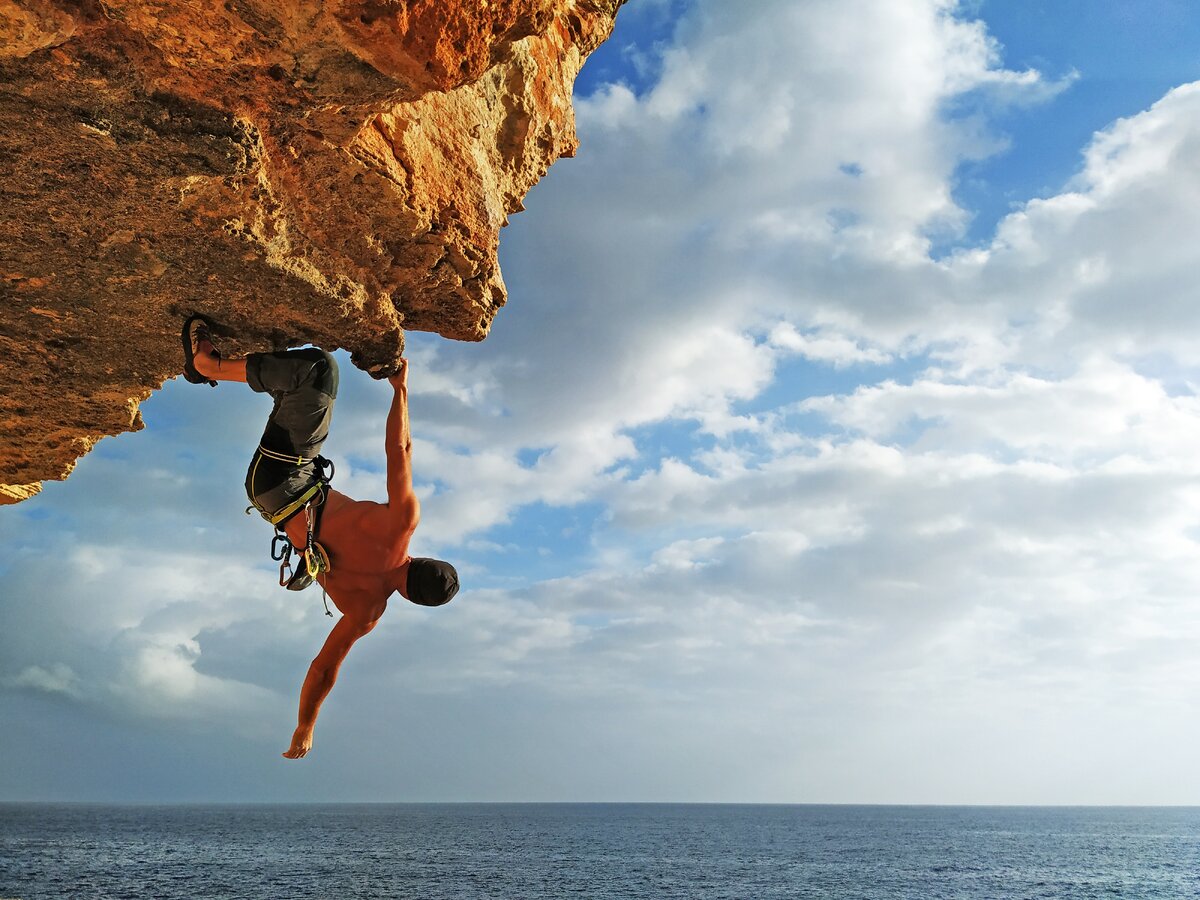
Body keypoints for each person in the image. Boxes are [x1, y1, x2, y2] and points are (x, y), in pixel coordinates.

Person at [181, 315, 459, 759]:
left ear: (425, 558)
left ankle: (209, 367)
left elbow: (399, 451)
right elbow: (323, 668)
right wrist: (304, 728)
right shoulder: (367, 610)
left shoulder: (401, 526)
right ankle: (259, 375)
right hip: (277, 494)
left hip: (288, 478)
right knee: (296, 403)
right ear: (412, 600)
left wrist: (400, 390)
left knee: (318, 371)